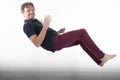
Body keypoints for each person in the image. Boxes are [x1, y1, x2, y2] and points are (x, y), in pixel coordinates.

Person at [21, 2, 116, 67]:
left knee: (80, 40)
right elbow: (37, 43)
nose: (31, 12)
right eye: (28, 10)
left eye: (32, 10)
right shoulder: (27, 25)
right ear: (23, 13)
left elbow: (45, 35)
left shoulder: (34, 21)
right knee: (82, 32)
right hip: (54, 42)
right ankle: (102, 56)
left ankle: (99, 61)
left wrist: (57, 32)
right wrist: (45, 26)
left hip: (55, 39)